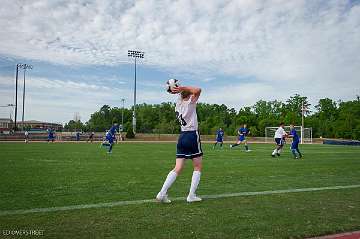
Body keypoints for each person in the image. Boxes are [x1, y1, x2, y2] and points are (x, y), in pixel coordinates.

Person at [156, 84, 203, 203]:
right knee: (197, 166)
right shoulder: (190, 102)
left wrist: (178, 90)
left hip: (182, 136)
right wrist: (182, 87)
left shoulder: (178, 103)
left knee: (178, 167)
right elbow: (198, 90)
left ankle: (162, 193)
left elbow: (187, 93)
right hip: (192, 135)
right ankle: (191, 195)